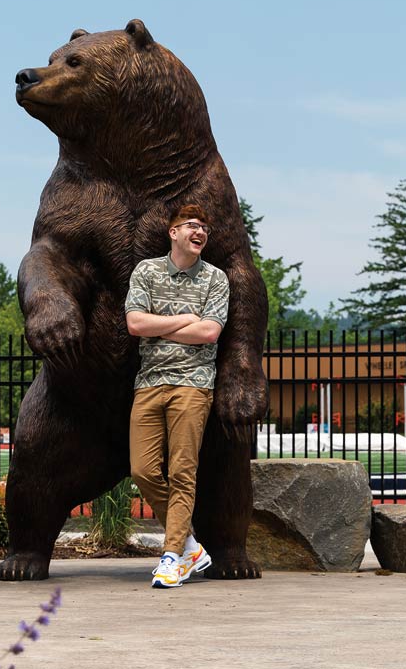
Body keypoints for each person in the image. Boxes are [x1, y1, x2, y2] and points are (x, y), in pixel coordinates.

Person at [124, 203, 230, 589]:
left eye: (204, 227)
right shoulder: (147, 271)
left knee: (182, 472)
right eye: (192, 225)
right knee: (143, 470)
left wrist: (160, 327)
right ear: (173, 232)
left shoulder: (216, 279)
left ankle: (171, 557)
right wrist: (186, 320)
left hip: (193, 383)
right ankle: (190, 545)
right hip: (149, 382)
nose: (200, 232)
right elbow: (135, 323)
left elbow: (209, 334)